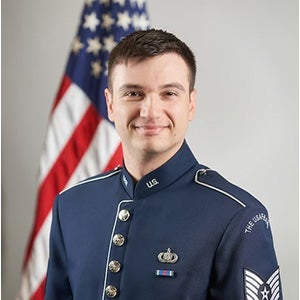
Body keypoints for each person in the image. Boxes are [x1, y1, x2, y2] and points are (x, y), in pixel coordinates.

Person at [45, 29, 282, 299]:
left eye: (169, 93)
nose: (150, 112)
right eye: (133, 93)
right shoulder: (71, 205)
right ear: (110, 104)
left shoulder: (237, 217)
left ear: (191, 104)